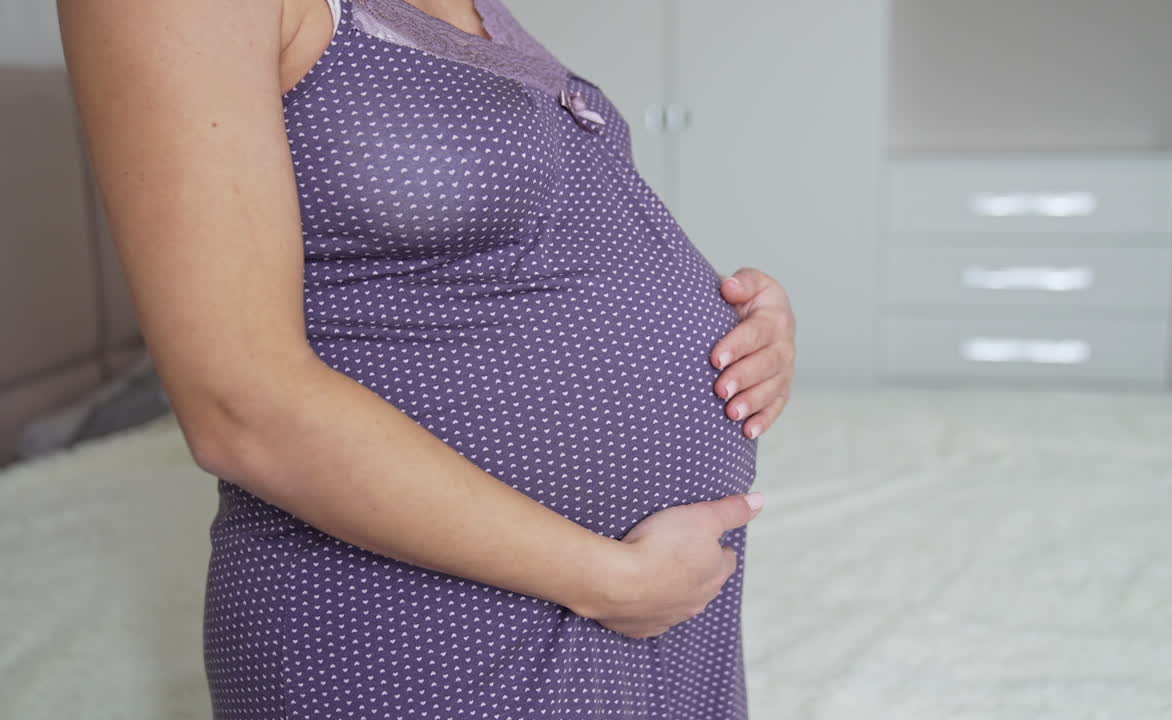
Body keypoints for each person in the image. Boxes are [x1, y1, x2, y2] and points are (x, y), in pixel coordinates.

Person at [56, 0, 797, 716]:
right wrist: (609, 580)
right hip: (423, 630)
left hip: (658, 612)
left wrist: (740, 321)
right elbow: (240, 403)